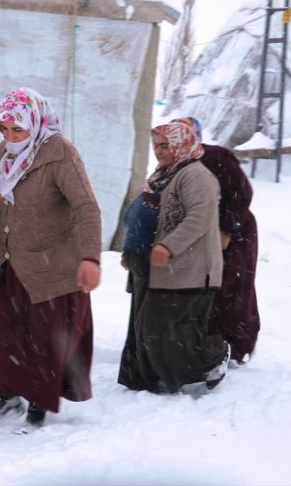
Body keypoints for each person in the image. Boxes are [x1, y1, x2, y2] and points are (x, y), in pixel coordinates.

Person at [0, 88, 102, 432]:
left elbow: (86, 206)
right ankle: (8, 394)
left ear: (36, 121)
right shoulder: (5, 152)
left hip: (51, 260)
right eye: (4, 128)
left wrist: (90, 257)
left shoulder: (60, 153)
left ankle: (38, 405)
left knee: (45, 336)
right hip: (6, 255)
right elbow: (1, 199)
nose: (10, 136)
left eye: (18, 129)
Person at [118, 121, 231, 394]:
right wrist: (131, 248)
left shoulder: (196, 175)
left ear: (181, 145)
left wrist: (168, 246)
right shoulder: (167, 173)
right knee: (156, 328)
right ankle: (159, 377)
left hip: (193, 267)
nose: (158, 151)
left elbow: (199, 218)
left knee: (162, 328)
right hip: (170, 269)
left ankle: (214, 356)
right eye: (156, 145)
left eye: (165, 145)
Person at [173, 117, 260, 365]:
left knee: (233, 287)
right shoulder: (176, 162)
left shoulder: (216, 156)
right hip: (201, 235)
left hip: (235, 234)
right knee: (207, 289)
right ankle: (211, 342)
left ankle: (238, 345)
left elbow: (242, 192)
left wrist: (228, 230)